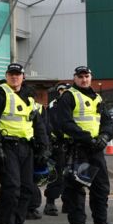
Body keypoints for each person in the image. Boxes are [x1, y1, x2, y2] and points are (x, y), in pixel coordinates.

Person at [0, 63, 48, 224]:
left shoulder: (29, 97)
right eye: (11, 74)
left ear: (23, 77)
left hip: (27, 148)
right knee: (11, 189)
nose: (14, 77)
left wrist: (43, 147)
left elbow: (38, 124)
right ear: (6, 76)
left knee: (27, 189)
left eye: (18, 74)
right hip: (8, 146)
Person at [56, 66, 113, 224]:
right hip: (78, 149)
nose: (84, 79)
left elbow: (107, 121)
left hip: (96, 149)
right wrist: (87, 138)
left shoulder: (97, 97)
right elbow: (64, 123)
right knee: (77, 188)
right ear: (74, 78)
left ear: (91, 77)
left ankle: (100, 222)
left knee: (101, 187)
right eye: (80, 76)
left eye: (87, 76)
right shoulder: (68, 96)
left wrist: (105, 136)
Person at [42, 83, 70, 216]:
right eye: (61, 90)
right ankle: (50, 202)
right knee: (57, 174)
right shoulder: (55, 105)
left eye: (66, 90)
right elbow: (52, 124)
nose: (63, 92)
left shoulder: (73, 102)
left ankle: (68, 202)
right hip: (59, 144)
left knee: (72, 175)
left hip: (73, 143)